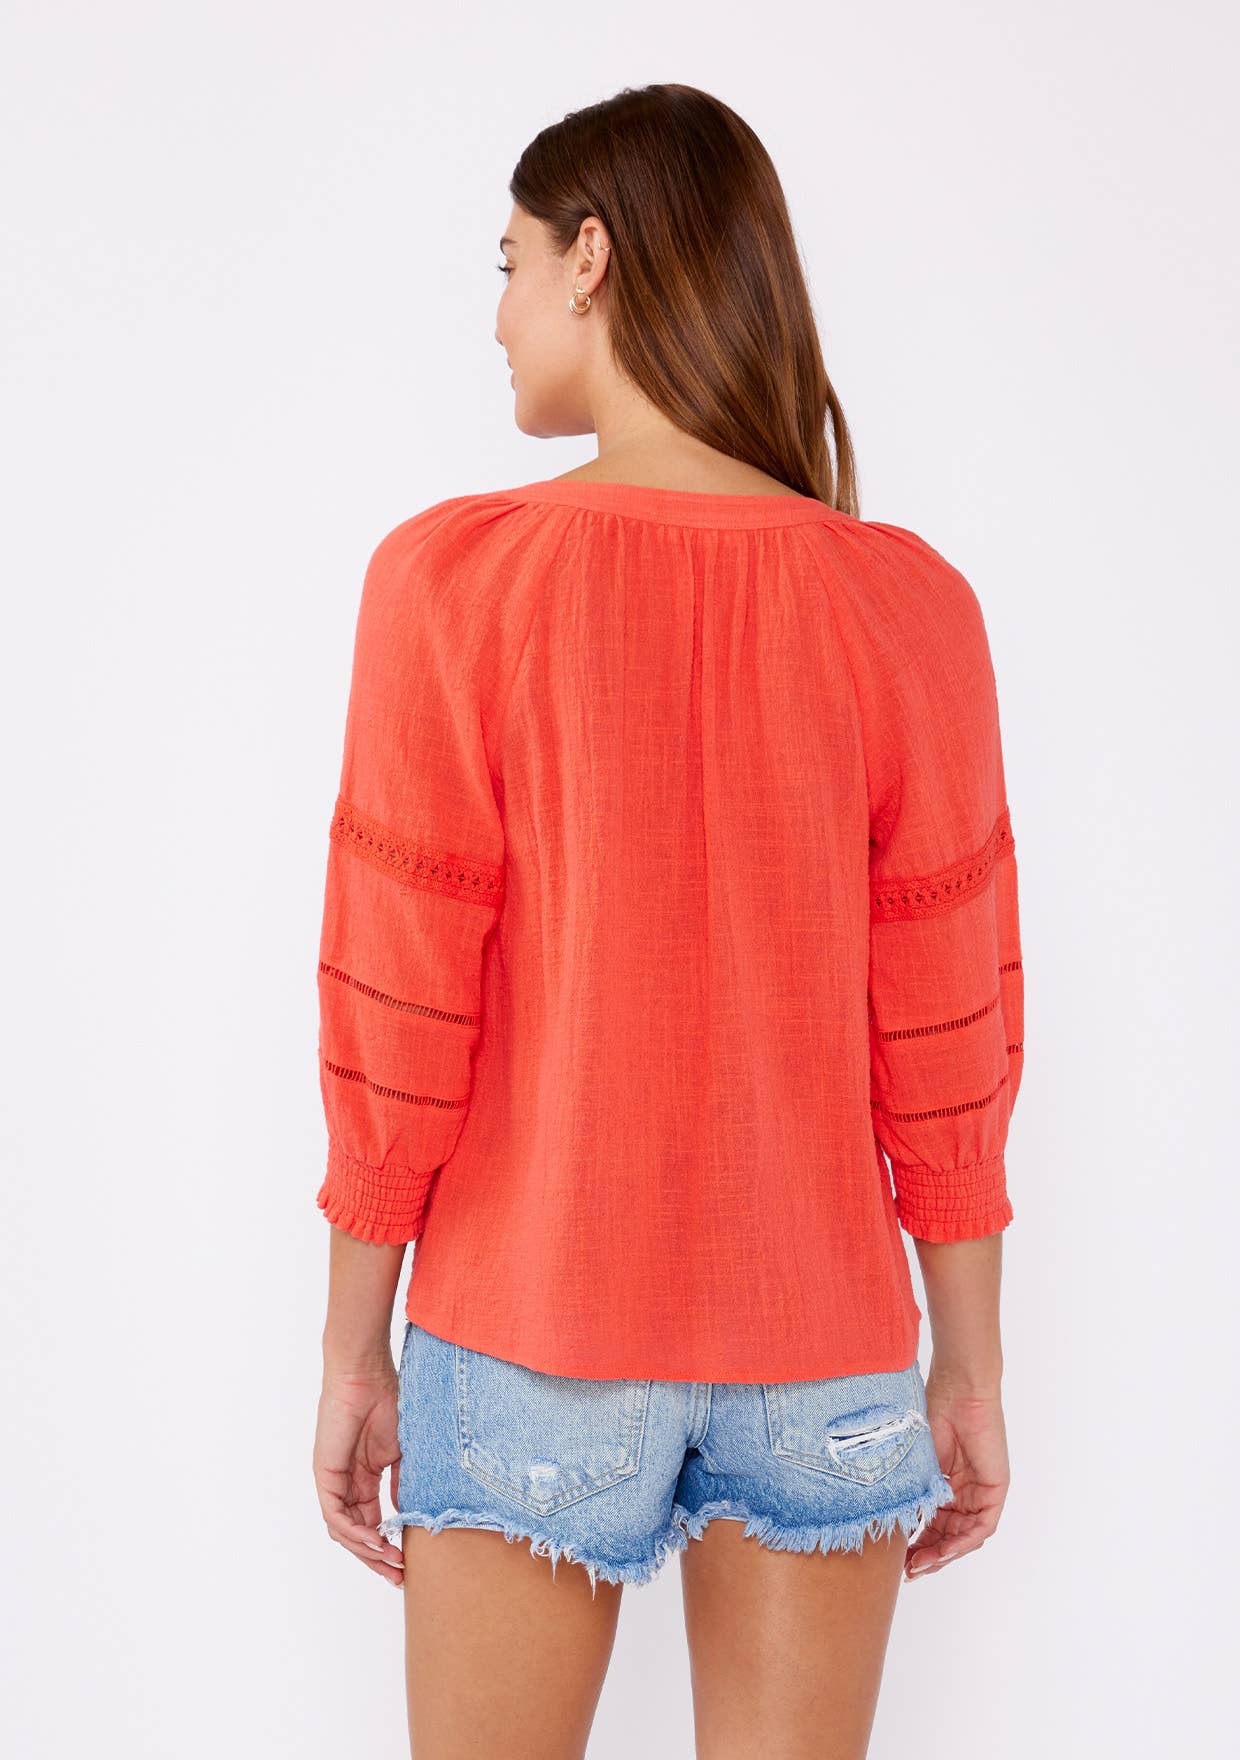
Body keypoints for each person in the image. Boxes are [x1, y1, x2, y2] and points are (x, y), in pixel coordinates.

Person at [311, 82, 1024, 1760]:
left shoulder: (453, 584)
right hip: (828, 1350)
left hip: (527, 1320)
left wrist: (353, 1349)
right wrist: (971, 1366)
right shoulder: (908, 605)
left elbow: (400, 1007)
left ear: (592, 257)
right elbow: (949, 1032)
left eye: (506, 263)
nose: (496, 315)